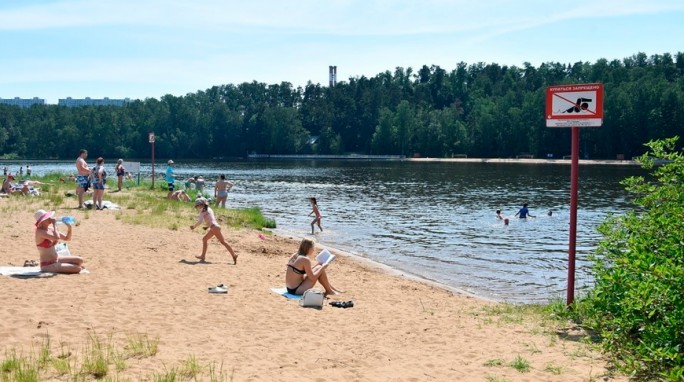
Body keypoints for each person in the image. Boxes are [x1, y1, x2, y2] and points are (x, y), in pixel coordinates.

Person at [34, 209, 84, 274]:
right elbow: (56, 237)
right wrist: (55, 225)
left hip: (57, 259)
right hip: (47, 264)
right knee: (78, 268)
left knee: (80, 260)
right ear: (42, 221)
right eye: (47, 218)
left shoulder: (50, 229)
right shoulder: (39, 232)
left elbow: (67, 238)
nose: (50, 218)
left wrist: (69, 227)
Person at [190, 198, 238, 264]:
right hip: (215, 227)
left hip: (214, 228)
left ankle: (234, 255)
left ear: (201, 205)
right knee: (204, 239)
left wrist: (194, 226)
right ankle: (203, 256)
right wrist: (207, 226)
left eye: (197, 206)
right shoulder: (209, 209)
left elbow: (200, 221)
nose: (197, 207)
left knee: (223, 242)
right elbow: (211, 219)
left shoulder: (202, 211)